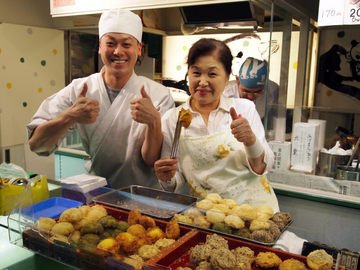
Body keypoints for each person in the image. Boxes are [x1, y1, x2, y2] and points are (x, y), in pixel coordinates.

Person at [26, 9, 175, 189]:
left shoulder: (158, 95)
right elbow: (36, 145)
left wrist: (154, 122)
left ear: (139, 49)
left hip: (144, 196)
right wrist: (69, 116)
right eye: (110, 43)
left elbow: (152, 161)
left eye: (126, 44)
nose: (118, 52)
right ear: (100, 47)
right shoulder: (79, 89)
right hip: (97, 193)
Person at [152, 38, 279, 212]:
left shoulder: (245, 108)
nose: (203, 82)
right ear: (188, 74)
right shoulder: (173, 118)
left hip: (255, 211)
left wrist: (251, 140)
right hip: (209, 216)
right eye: (196, 73)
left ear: (227, 79)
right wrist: (167, 178)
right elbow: (176, 182)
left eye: (212, 74)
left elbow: (263, 167)